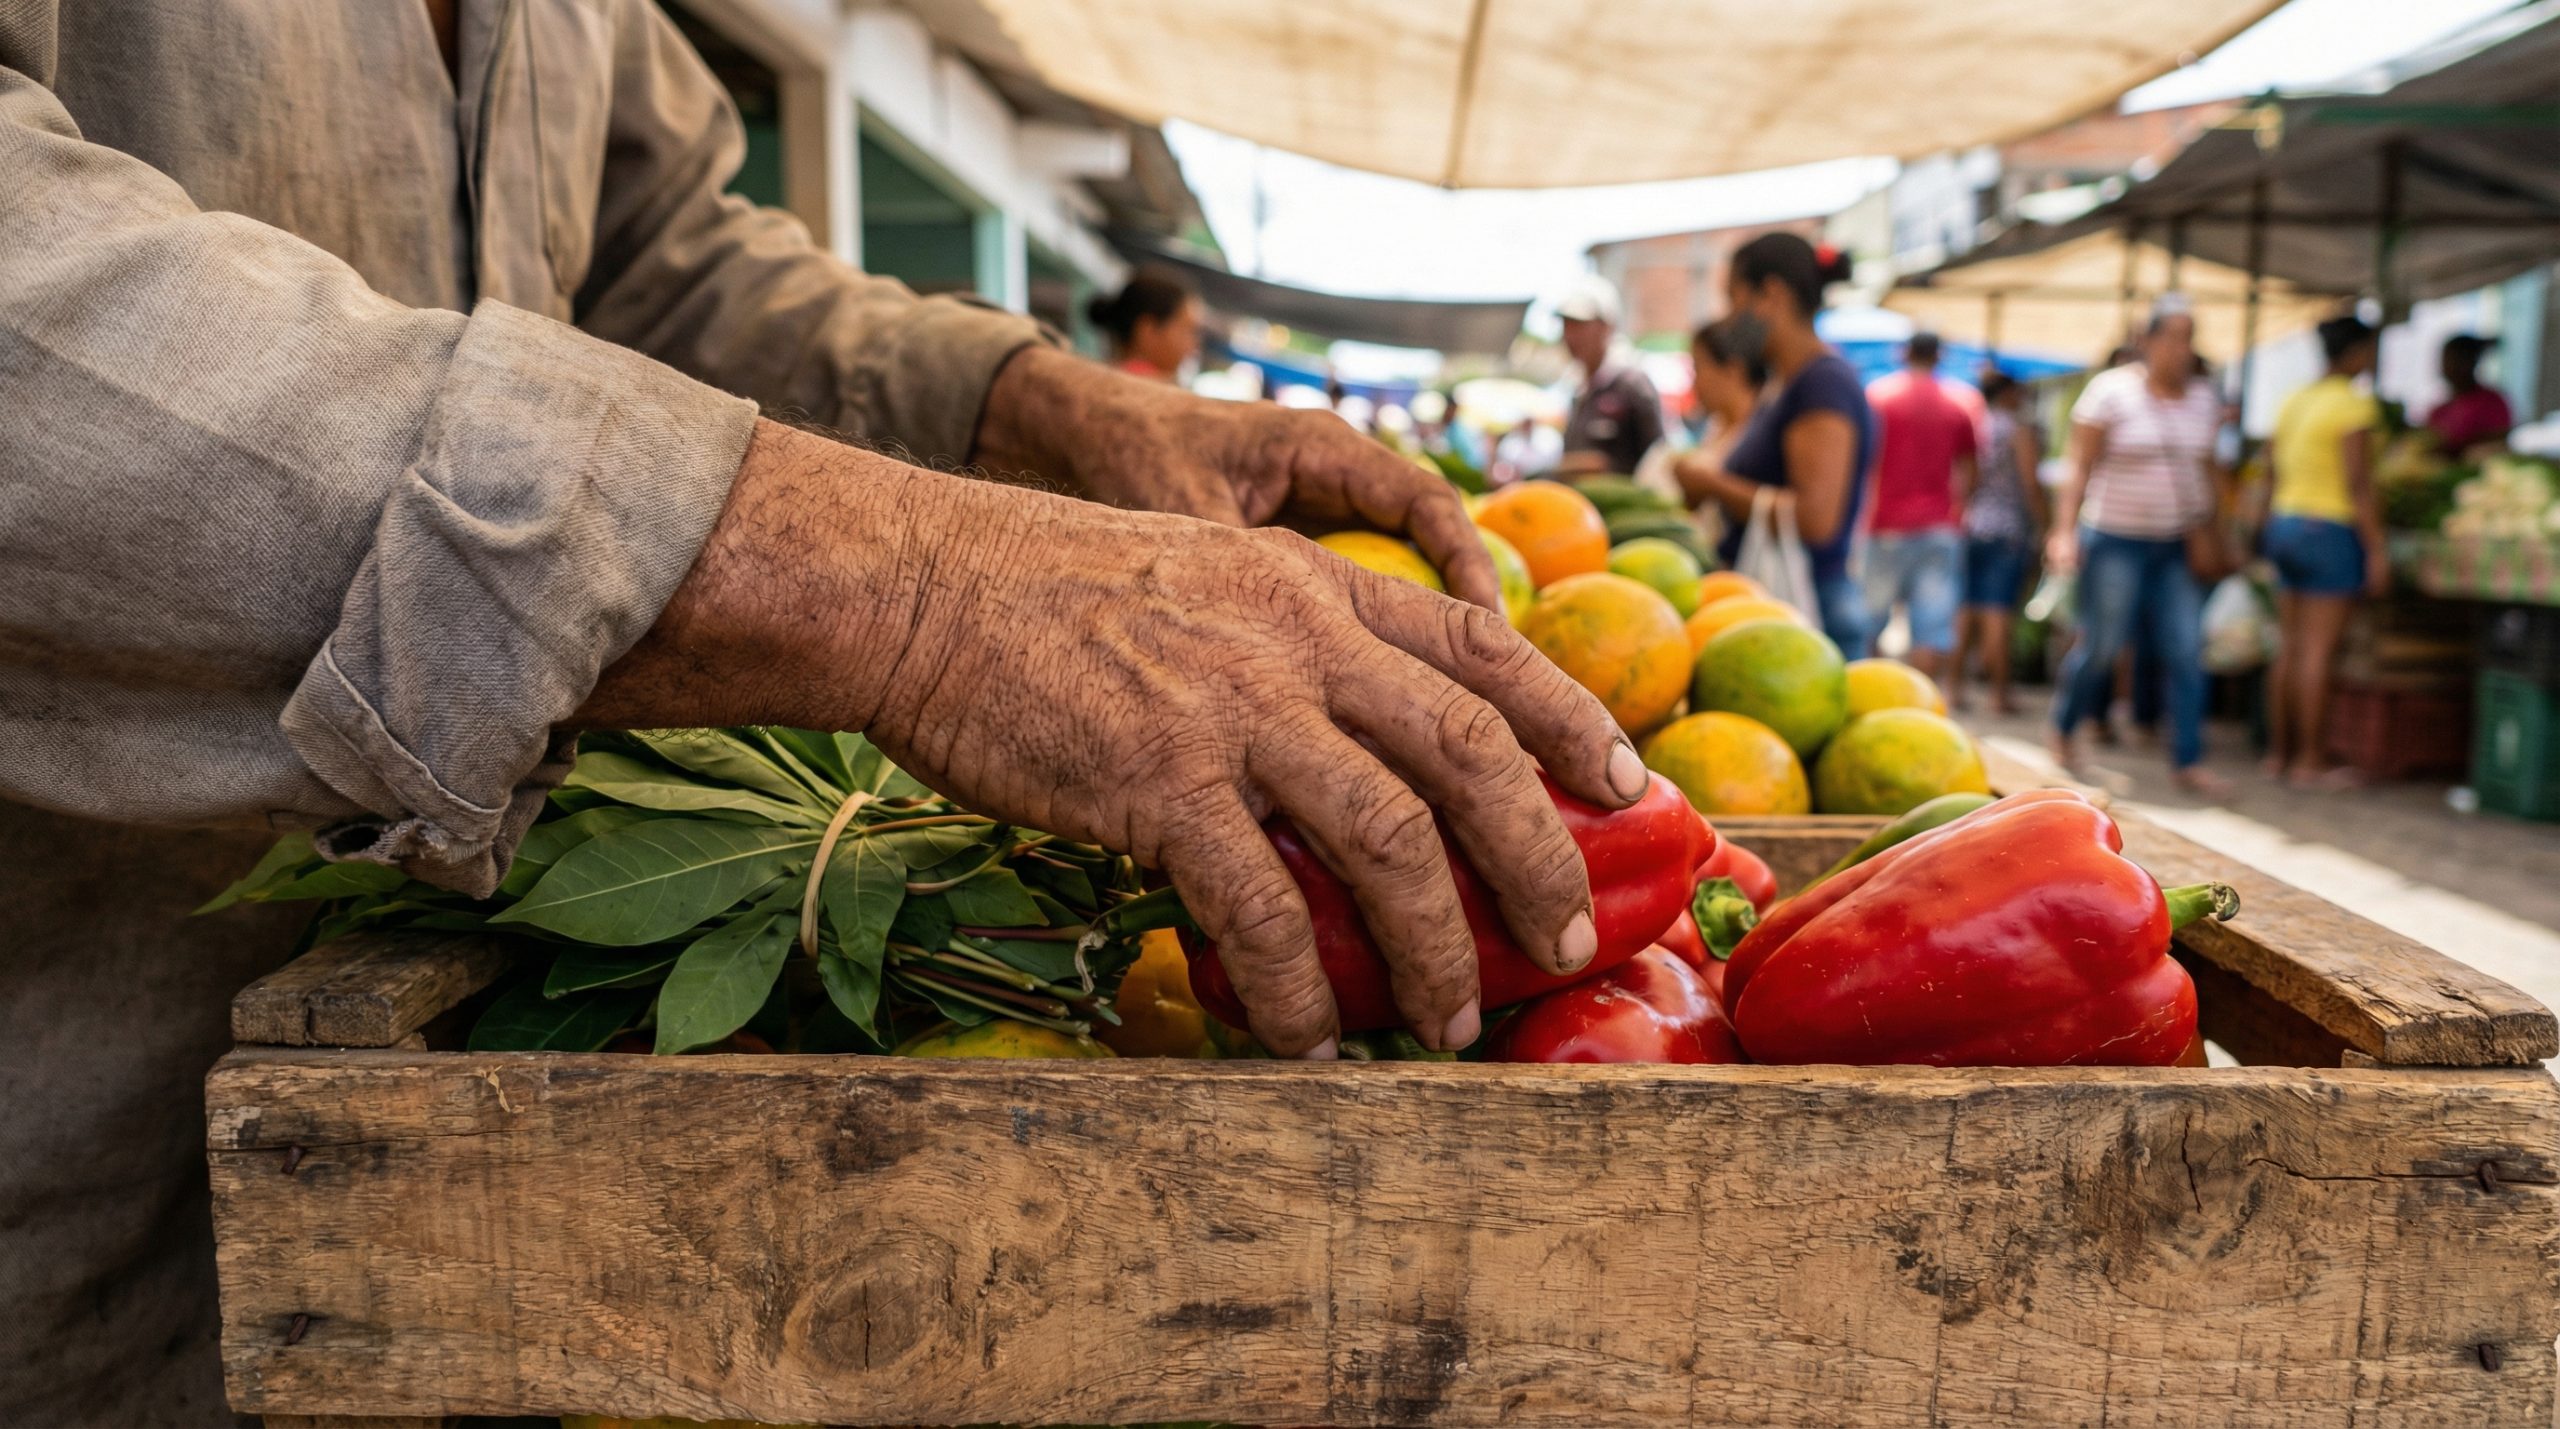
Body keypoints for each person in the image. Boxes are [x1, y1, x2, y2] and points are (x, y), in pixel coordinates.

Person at [0, 7, 1637, 1423]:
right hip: (63, 1195)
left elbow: (663, 261)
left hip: (484, 1183)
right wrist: (913, 578)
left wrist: (1018, 407)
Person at [2046, 299, 2233, 793]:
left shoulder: (2203, 400)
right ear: (2145, 341)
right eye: (2171, 336)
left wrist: (2223, 532)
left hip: (2176, 543)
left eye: (2188, 337)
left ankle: (2188, 759)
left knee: (2187, 649)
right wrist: (2063, 532)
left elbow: (2211, 471)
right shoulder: (2110, 392)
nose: (2180, 348)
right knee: (2103, 646)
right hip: (2114, 540)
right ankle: (2065, 727)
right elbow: (2078, 467)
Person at [1671, 234, 1874, 654]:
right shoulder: (1785, 384)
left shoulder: (1822, 383)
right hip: (1790, 605)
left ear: (1771, 295)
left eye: (1734, 299)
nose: (1729, 320)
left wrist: (1712, 485)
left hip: (1811, 610)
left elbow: (1817, 519)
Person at [2263, 316, 2387, 787]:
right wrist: (2376, 551)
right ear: (2355, 352)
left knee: (2289, 647)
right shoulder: (2352, 406)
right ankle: (2310, 760)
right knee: (2317, 652)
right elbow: (2359, 483)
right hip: (2329, 530)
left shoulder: (2295, 399)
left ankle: (2278, 754)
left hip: (2286, 523)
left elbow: (2270, 468)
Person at [1860, 332, 1978, 677]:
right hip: (1940, 526)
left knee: (1869, 621)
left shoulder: (1879, 398)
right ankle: (1922, 704)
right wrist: (1960, 507)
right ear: (1939, 356)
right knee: (1931, 629)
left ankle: (1872, 694)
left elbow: (1863, 461)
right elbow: (1971, 469)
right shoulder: (1959, 403)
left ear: (1903, 352)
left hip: (1885, 525)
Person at [1951, 371, 2049, 713]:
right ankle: (1999, 694)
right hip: (2007, 530)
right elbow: (2031, 483)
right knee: (1997, 612)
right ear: (2006, 393)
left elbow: (1962, 477)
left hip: (1969, 525)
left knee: (1964, 610)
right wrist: (2045, 525)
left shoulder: (1974, 423)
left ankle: (1954, 689)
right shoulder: (2015, 430)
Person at [1554, 277, 1668, 477]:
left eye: (1579, 325)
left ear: (1607, 326)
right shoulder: (1577, 389)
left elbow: (1658, 456)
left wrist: (1604, 467)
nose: (1570, 335)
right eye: (1566, 325)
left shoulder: (1632, 385)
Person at [1684, 315, 1769, 472]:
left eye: (1698, 368)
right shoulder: (1717, 425)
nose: (1694, 382)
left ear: (1732, 371)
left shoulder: (1761, 436)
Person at [1087, 268, 1201, 382]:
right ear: (1148, 330)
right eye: (1187, 331)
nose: (1194, 345)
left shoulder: (1098, 378)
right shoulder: (1152, 387)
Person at [2428, 334, 2513, 456]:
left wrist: (2454, 448)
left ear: (2473, 362)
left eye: (2458, 360)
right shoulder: (2439, 410)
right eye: (2447, 360)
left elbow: (2499, 441)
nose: (2450, 367)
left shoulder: (2491, 402)